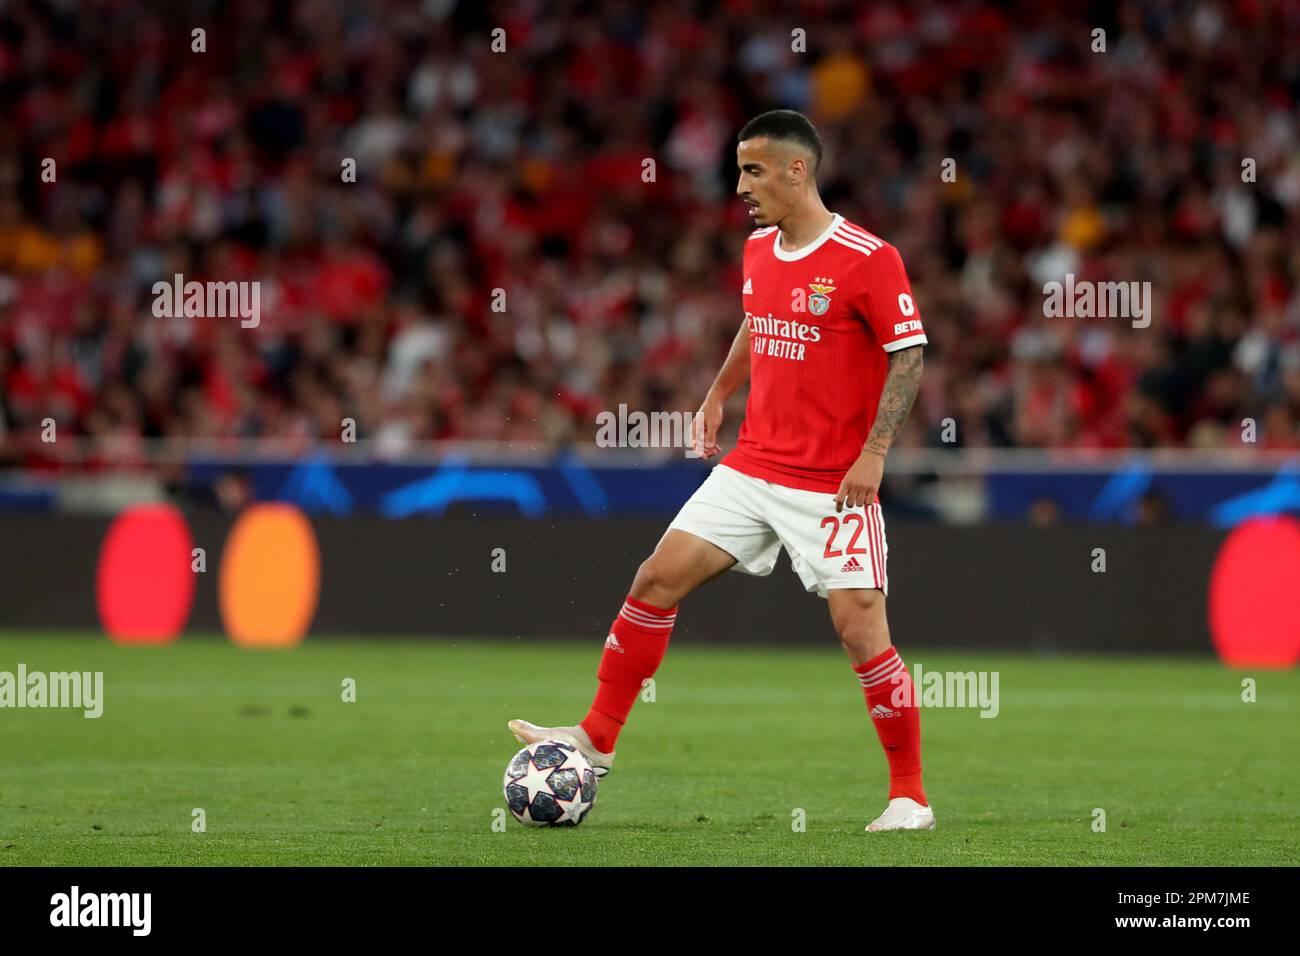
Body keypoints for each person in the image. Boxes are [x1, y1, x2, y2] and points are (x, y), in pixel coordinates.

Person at [510, 110, 933, 831]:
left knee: (861, 632)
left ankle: (910, 797)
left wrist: (875, 452)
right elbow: (757, 318)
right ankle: (596, 737)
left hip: (832, 482)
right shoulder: (760, 250)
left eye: (754, 171)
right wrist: (716, 396)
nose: (740, 185)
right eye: (739, 170)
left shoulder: (868, 258)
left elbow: (909, 353)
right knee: (655, 578)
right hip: (752, 466)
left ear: (798, 170)